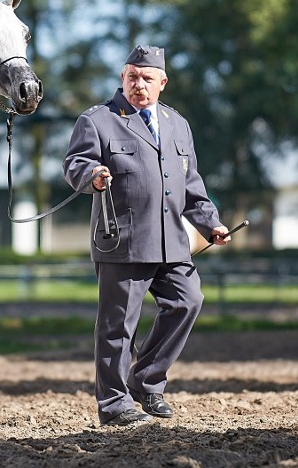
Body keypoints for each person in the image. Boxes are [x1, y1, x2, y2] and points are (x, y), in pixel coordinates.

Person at [62, 44, 230, 427]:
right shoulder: (98, 120)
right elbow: (75, 164)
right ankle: (115, 404)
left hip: (172, 242)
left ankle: (146, 380)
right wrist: (91, 175)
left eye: (147, 78)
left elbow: (191, 185)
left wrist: (211, 224)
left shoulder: (177, 124)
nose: (138, 84)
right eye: (132, 77)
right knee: (118, 326)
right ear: (122, 78)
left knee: (188, 301)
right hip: (123, 241)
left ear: (162, 83)